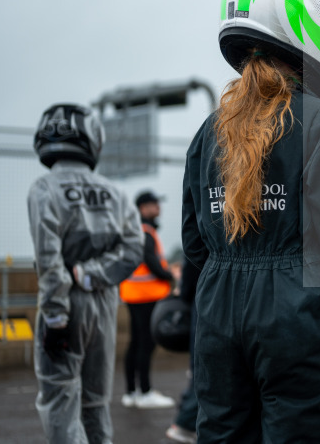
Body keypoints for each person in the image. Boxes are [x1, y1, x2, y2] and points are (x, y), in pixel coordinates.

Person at [182, 0, 320, 442]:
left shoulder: (206, 133)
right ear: (305, 23)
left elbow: (195, 244)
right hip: (296, 311)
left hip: (216, 312)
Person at [27, 103, 143, 443]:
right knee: (96, 402)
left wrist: (55, 317)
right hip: (105, 305)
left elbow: (48, 261)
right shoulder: (117, 194)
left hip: (63, 306)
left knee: (60, 397)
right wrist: (90, 273)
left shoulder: (44, 188)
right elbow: (133, 250)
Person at [118, 190, 176, 409]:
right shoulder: (145, 231)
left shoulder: (137, 230)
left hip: (134, 295)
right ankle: (145, 392)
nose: (158, 208)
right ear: (143, 208)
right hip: (146, 296)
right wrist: (172, 276)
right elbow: (153, 263)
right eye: (154, 204)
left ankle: (132, 392)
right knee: (146, 343)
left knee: (135, 342)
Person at [165, 257, 200, 443]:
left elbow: (193, 251)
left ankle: (186, 423)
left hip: (210, 295)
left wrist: (186, 293)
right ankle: (185, 422)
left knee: (204, 370)